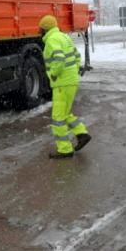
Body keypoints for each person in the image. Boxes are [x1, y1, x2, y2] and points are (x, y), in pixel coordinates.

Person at [40, 14, 90, 158]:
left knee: (58, 118)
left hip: (62, 83)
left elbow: (59, 59)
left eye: (41, 29)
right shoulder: (64, 37)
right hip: (71, 81)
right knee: (66, 113)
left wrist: (54, 74)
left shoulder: (51, 40)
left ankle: (64, 149)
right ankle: (82, 134)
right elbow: (76, 56)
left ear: (44, 29)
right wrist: (73, 71)